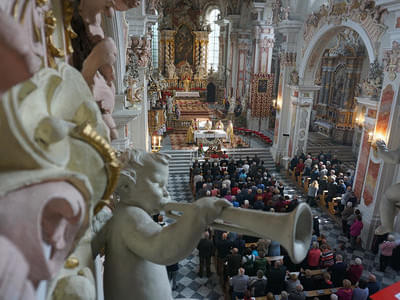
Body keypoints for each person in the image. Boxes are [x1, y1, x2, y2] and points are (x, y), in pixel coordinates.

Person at [91, 149, 231, 300]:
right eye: (159, 184)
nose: (166, 193)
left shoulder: (125, 214)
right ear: (126, 186)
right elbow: (163, 248)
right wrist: (198, 214)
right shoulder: (129, 217)